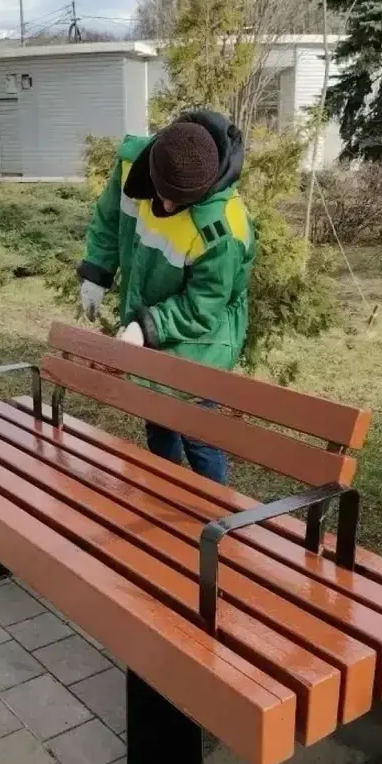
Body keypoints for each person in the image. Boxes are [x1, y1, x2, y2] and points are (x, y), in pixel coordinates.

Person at [77, 110, 257, 485]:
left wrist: (147, 325)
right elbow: (111, 218)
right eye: (165, 194)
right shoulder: (133, 164)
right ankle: (163, 494)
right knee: (157, 419)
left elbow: (203, 306)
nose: (169, 207)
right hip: (151, 322)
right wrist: (97, 270)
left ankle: (216, 515)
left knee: (199, 435)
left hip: (202, 341)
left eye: (182, 201)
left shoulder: (224, 230)